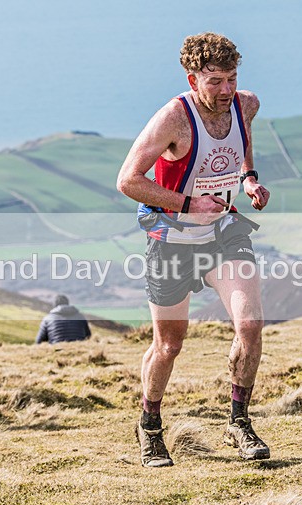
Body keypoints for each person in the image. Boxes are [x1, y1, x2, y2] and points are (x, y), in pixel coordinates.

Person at [116, 33, 272, 467]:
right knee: (169, 345)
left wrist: (249, 178)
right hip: (172, 240)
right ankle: (149, 427)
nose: (226, 90)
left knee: (251, 325)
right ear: (193, 78)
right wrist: (188, 203)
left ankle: (239, 422)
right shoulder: (174, 119)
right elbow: (128, 181)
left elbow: (242, 138)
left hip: (223, 233)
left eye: (232, 79)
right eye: (216, 81)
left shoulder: (246, 104)